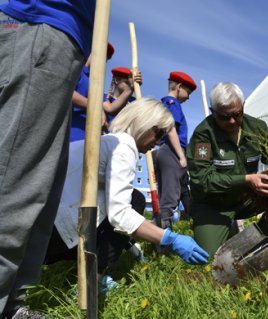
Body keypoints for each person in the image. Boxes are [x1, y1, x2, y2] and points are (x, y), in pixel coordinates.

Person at [46, 98, 209, 287]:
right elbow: (120, 214)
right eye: (157, 134)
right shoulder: (124, 146)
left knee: (135, 197)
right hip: (54, 232)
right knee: (135, 201)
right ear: (144, 122)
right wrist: (170, 239)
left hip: (47, 221)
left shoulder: (112, 141)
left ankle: (96, 271)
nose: (156, 143)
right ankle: (94, 280)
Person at [0, 1, 96, 318]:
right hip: (42, 24)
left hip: (63, 39)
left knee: (42, 192)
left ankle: (13, 303)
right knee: (18, 183)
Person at [187, 82, 268, 256]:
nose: (232, 121)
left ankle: (265, 238)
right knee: (209, 257)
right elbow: (202, 180)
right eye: (225, 117)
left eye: (237, 114)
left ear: (243, 107)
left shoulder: (258, 128)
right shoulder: (203, 135)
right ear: (213, 112)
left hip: (248, 198)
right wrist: (247, 180)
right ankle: (222, 229)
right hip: (213, 204)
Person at [71, 50, 143, 142]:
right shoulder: (78, 71)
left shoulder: (95, 84)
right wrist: (97, 107)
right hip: (74, 131)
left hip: (91, 139)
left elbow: (110, 109)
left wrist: (131, 88)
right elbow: (66, 92)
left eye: (105, 60)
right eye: (100, 57)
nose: (102, 63)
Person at [155, 72, 196, 228]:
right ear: (179, 87)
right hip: (173, 150)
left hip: (168, 150)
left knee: (176, 192)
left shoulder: (165, 104)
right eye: (188, 92)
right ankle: (164, 242)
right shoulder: (172, 103)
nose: (188, 97)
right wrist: (181, 156)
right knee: (170, 198)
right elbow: (171, 129)